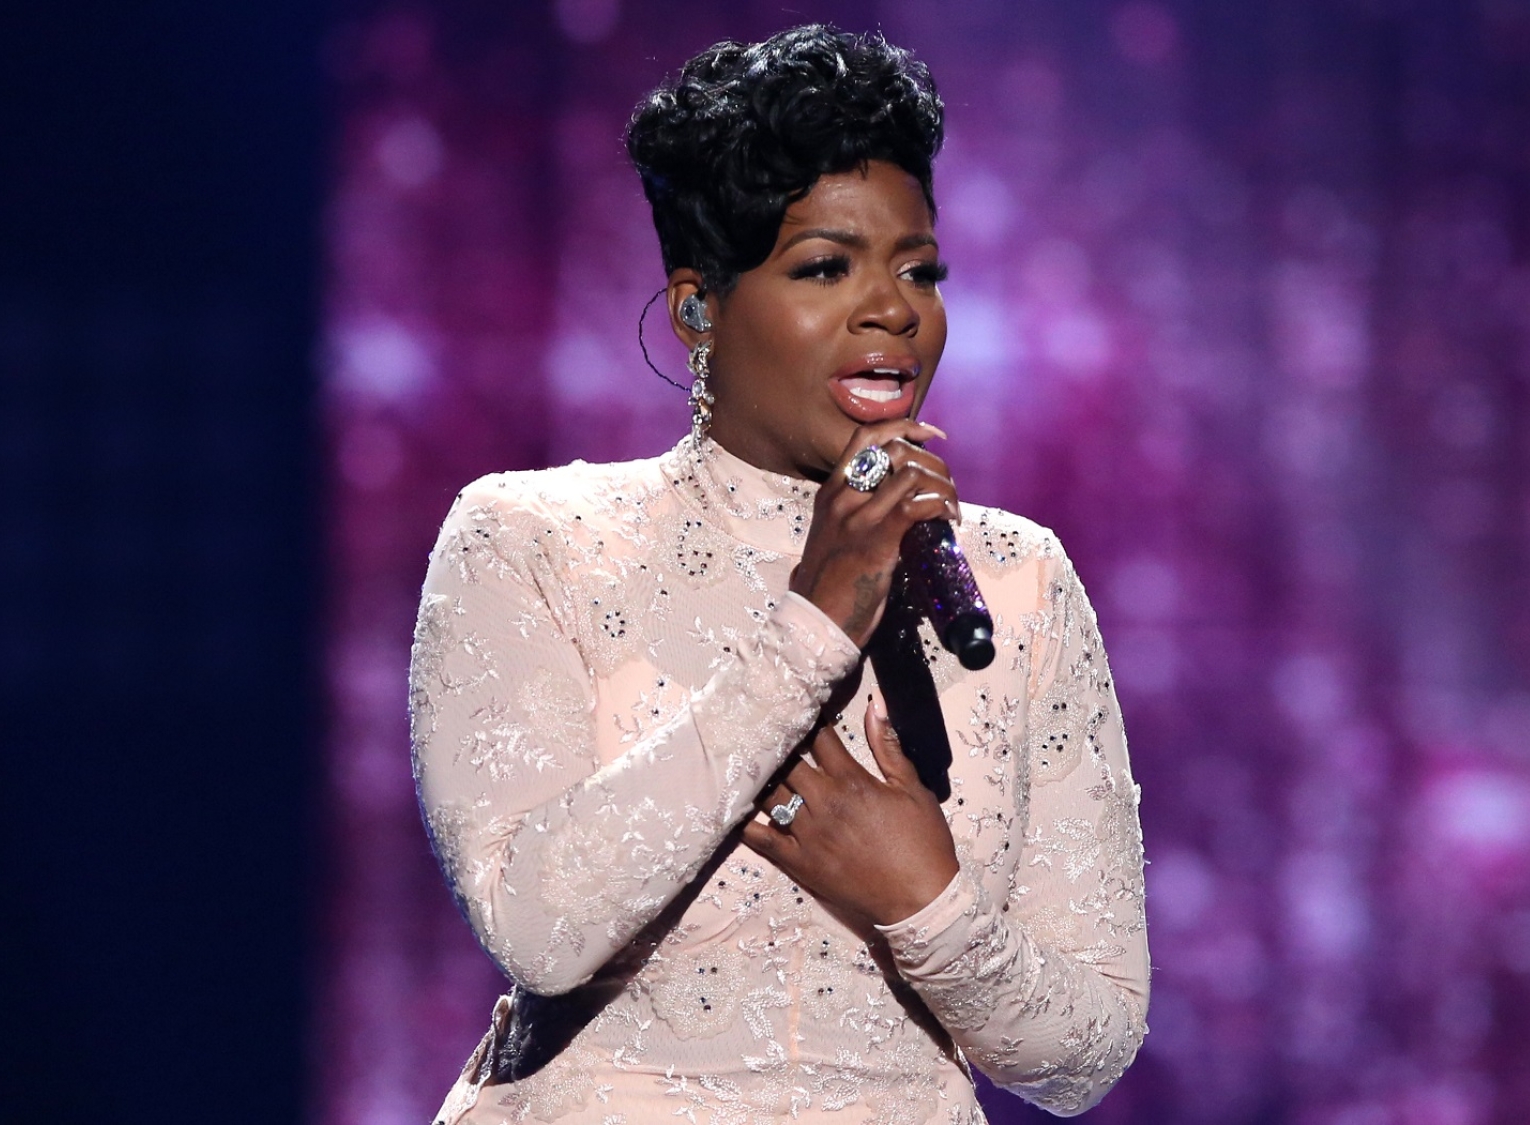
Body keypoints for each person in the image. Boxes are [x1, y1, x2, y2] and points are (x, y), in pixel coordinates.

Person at [409, 24, 1147, 1125]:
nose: (892, 308)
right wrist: (812, 619)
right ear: (696, 307)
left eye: (916, 268)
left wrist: (921, 901)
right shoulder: (531, 540)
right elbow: (541, 928)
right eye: (823, 267)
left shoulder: (1017, 582)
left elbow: (1087, 1047)